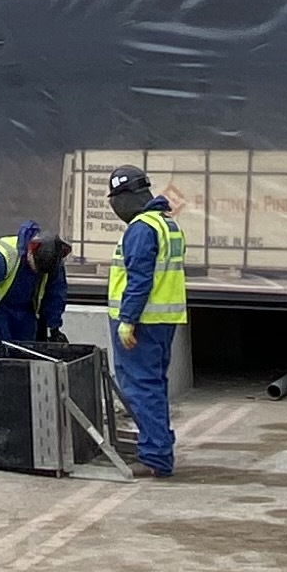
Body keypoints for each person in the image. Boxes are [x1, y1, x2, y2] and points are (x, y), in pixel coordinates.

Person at [104, 168, 187, 477]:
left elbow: (139, 279)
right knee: (154, 386)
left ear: (124, 198)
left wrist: (127, 320)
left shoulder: (141, 228)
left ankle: (156, 456)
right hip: (164, 321)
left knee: (141, 388)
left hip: (141, 323)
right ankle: (159, 447)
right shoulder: (167, 224)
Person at [0, 222, 70, 349]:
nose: (38, 273)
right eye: (36, 267)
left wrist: (54, 327)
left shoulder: (54, 264)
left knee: (25, 353)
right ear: (31, 250)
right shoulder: (3, 258)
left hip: (26, 313)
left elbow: (55, 294)